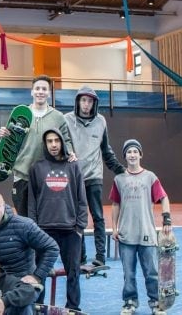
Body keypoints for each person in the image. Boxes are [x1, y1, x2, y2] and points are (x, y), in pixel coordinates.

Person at [64, 86, 125, 266]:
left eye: (90, 101)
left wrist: (121, 170)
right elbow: (61, 147)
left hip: (94, 176)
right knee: (76, 219)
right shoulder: (66, 120)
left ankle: (100, 257)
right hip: (74, 178)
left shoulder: (101, 121)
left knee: (98, 216)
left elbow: (106, 151)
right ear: (77, 101)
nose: (86, 104)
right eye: (83, 100)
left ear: (94, 103)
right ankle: (80, 257)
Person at [0, 75, 75, 217]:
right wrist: (5, 133)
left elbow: (66, 139)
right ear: (32, 92)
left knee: (45, 219)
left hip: (47, 176)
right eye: (37, 88)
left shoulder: (58, 117)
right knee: (24, 219)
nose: (40, 92)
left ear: (49, 93)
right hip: (22, 175)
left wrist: (70, 152)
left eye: (44, 89)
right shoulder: (21, 114)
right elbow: (11, 141)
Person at [110, 139, 172, 315]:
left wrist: (166, 219)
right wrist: (114, 228)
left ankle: (156, 304)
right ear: (125, 156)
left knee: (151, 273)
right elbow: (115, 204)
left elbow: (164, 198)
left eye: (135, 151)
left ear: (140, 154)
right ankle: (129, 302)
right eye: (129, 152)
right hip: (126, 235)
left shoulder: (150, 177)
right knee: (128, 274)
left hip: (147, 234)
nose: (132, 154)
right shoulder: (119, 179)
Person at [28, 130, 87, 311]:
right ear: (44, 144)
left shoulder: (73, 166)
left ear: (62, 142)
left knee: (73, 273)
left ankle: (73, 308)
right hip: (44, 230)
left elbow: (81, 198)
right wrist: (33, 227)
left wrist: (80, 227)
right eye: (49, 141)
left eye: (56, 141)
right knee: (40, 273)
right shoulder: (37, 168)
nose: (53, 144)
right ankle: (39, 307)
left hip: (70, 230)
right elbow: (32, 200)